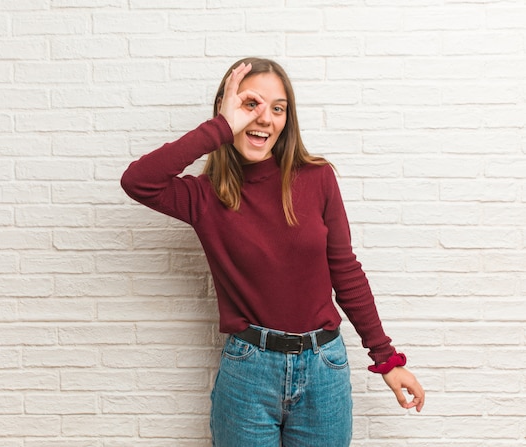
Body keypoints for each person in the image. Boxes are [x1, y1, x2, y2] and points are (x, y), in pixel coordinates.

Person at [121, 57, 424, 447]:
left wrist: (386, 357)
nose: (265, 118)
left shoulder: (317, 178)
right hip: (249, 373)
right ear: (226, 110)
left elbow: (345, 271)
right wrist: (221, 129)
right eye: (251, 104)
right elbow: (138, 181)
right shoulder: (204, 196)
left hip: (324, 369)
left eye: (278, 108)